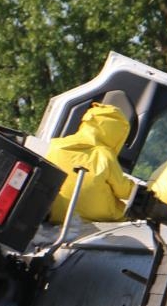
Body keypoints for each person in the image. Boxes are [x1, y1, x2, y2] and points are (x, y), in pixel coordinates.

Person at [44, 91, 138, 223]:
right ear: (117, 134)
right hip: (99, 220)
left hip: (57, 216)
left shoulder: (56, 145)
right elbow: (125, 192)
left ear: (87, 122)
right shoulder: (105, 155)